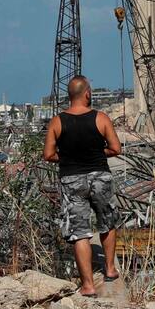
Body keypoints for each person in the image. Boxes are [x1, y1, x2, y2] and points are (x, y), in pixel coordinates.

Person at [43, 75, 123, 297]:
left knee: (79, 233)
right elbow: (116, 148)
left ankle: (87, 285)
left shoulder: (57, 122)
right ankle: (110, 269)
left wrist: (68, 157)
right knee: (107, 221)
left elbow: (48, 154)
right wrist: (97, 152)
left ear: (70, 95)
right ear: (87, 93)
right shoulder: (101, 118)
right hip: (100, 176)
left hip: (72, 179)